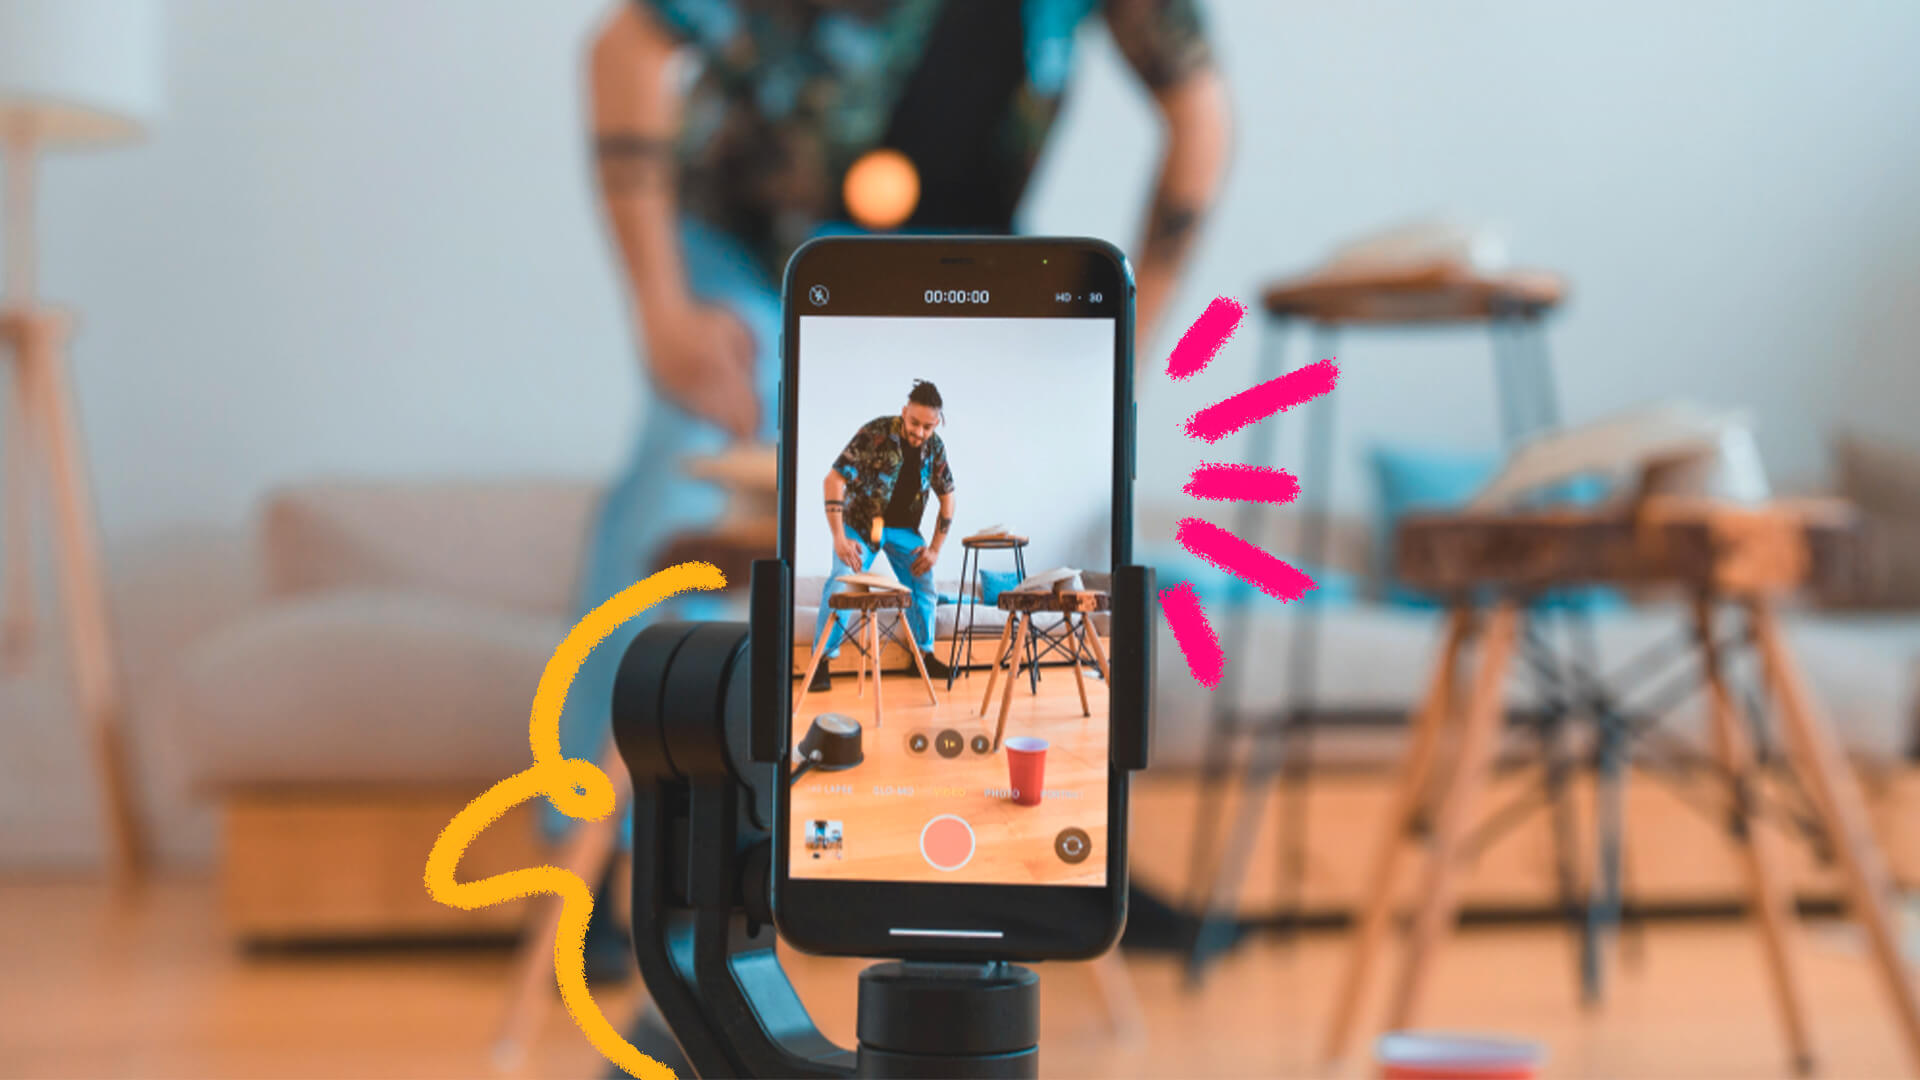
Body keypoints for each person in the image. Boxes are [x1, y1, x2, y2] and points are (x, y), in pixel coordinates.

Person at [558, 0, 1231, 935]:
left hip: (952, 254)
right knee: (689, 480)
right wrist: (662, 312)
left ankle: (1042, 848)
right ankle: (607, 867)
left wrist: (1130, 343)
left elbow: (1200, 108)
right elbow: (624, 46)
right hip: (750, 248)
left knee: (1048, 534)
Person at [813, 379, 956, 692]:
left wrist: (934, 549)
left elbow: (948, 498)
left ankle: (923, 656)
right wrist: (839, 538)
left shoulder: (935, 448)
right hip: (862, 525)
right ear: (904, 412)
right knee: (843, 579)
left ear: (937, 423)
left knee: (924, 580)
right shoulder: (875, 433)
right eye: (914, 422)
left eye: (928, 427)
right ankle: (821, 663)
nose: (919, 432)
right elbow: (833, 480)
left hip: (904, 530)